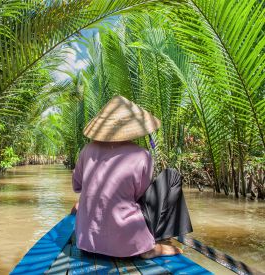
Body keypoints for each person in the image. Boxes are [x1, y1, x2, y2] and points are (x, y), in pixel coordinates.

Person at [71, 95, 193, 259]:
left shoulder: (87, 150)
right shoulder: (142, 155)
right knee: (172, 176)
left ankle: (148, 241)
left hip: (86, 244)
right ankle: (153, 244)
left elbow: (77, 185)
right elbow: (140, 196)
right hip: (128, 246)